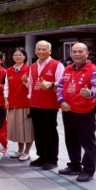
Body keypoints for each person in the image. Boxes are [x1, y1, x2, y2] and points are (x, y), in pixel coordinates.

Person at [57, 43, 96, 183]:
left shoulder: (94, 70)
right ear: (71, 54)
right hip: (68, 110)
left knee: (88, 143)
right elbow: (60, 87)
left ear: (87, 54)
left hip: (84, 112)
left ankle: (88, 170)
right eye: (74, 52)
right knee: (71, 140)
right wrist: (61, 101)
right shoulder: (68, 69)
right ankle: (75, 166)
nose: (77, 54)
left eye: (80, 52)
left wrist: (89, 93)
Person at [23, 41, 65, 171]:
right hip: (35, 103)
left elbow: (62, 83)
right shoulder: (33, 66)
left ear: (50, 51)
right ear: (35, 51)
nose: (41, 52)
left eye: (44, 49)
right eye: (39, 49)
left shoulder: (57, 65)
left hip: (50, 104)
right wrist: (30, 96)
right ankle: (42, 155)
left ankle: (52, 158)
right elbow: (31, 85)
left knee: (50, 131)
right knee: (38, 131)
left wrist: (51, 84)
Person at [4, 48, 34, 162]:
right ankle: (20, 150)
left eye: (20, 55)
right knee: (17, 128)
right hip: (13, 103)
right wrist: (6, 99)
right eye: (15, 55)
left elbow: (31, 87)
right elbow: (6, 87)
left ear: (24, 57)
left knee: (27, 129)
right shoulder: (9, 70)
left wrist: (26, 81)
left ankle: (27, 152)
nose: (17, 57)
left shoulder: (29, 69)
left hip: (25, 103)